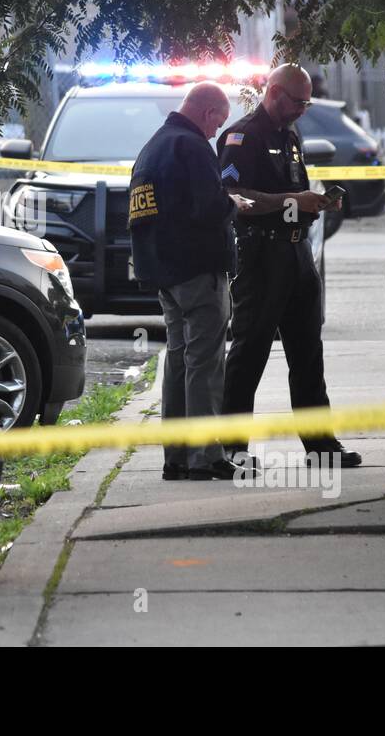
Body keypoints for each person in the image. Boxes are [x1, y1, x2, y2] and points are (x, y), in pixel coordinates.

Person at [215, 64, 362, 467]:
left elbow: (293, 189)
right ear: (275, 93)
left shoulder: (291, 135)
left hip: (297, 254)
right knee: (250, 352)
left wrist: (317, 201)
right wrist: (292, 201)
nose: (302, 109)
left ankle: (321, 447)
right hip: (262, 256)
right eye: (297, 101)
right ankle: (231, 448)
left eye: (307, 102)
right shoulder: (242, 136)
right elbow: (233, 195)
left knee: (308, 353)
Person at [129, 82, 255, 481]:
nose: (217, 131)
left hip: (164, 273)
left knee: (179, 361)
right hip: (198, 271)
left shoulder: (152, 147)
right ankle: (206, 456)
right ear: (205, 112)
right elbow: (208, 206)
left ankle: (177, 456)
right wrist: (233, 203)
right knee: (205, 362)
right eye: (218, 121)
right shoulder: (193, 146)